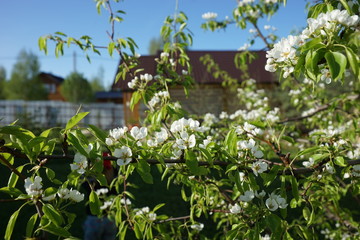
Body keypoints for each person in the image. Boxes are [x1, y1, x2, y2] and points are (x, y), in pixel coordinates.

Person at [83, 153, 117, 240]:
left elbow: (83, 179)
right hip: (105, 218)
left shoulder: (91, 183)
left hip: (96, 219)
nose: (104, 173)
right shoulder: (114, 180)